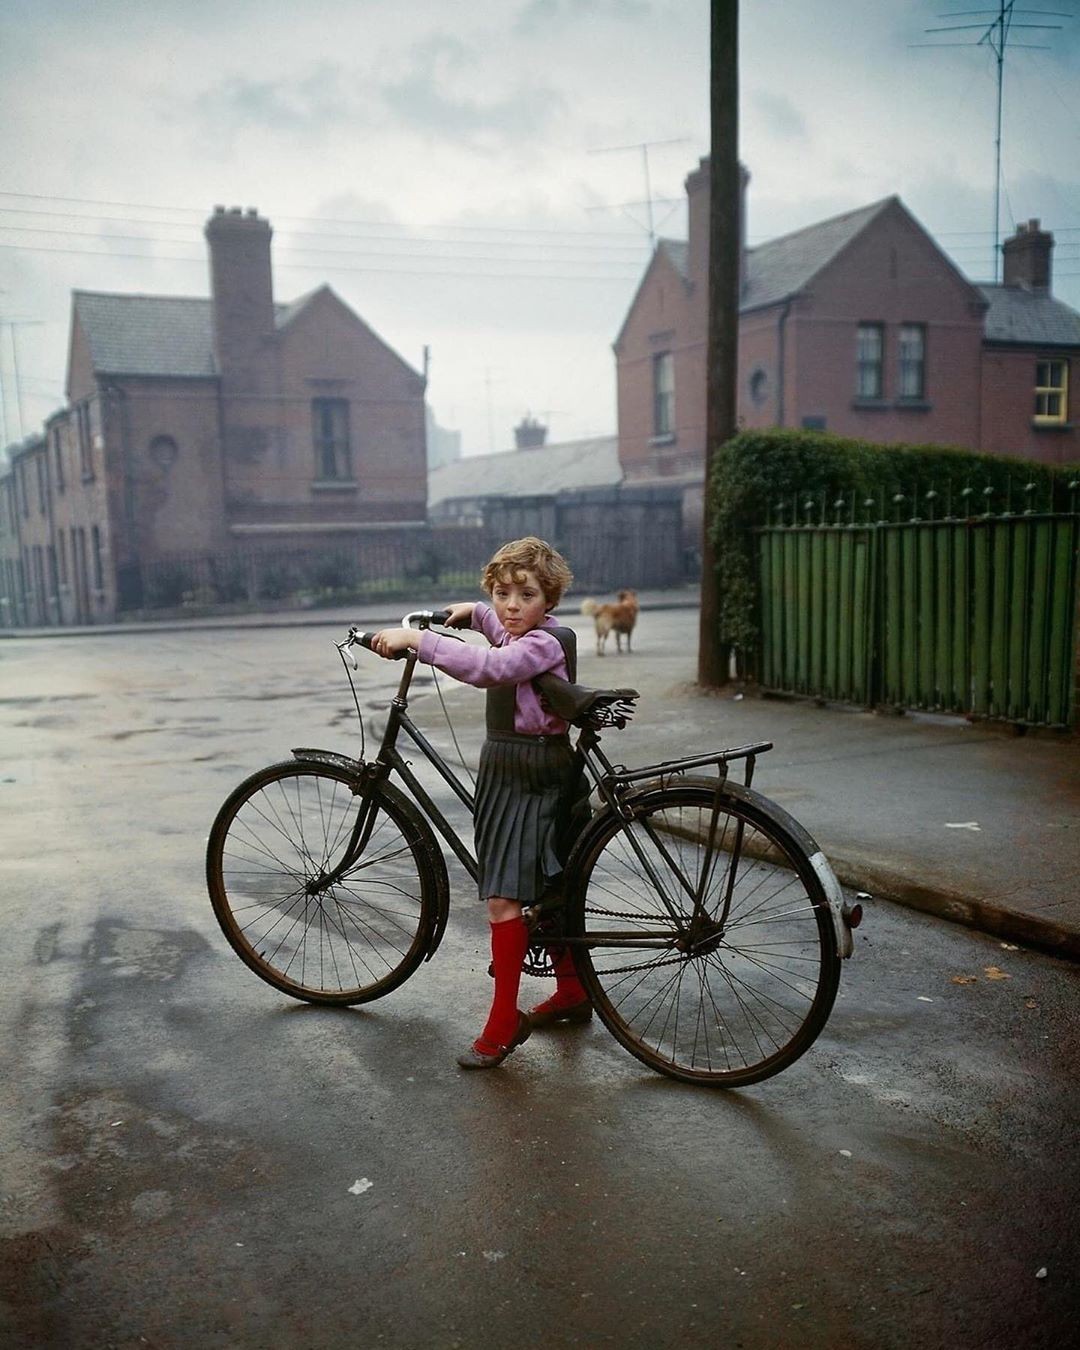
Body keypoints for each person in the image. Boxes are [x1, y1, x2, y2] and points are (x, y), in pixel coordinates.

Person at [370, 537, 591, 1070]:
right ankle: (572, 990)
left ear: (550, 602)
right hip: (516, 769)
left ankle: (502, 1022)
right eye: (502, 592)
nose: (512, 605)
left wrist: (418, 641)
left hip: (529, 774)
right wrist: (470, 613)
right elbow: (495, 625)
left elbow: (490, 668)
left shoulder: (543, 644)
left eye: (527, 595)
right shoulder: (517, 625)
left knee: (503, 896)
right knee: (549, 885)